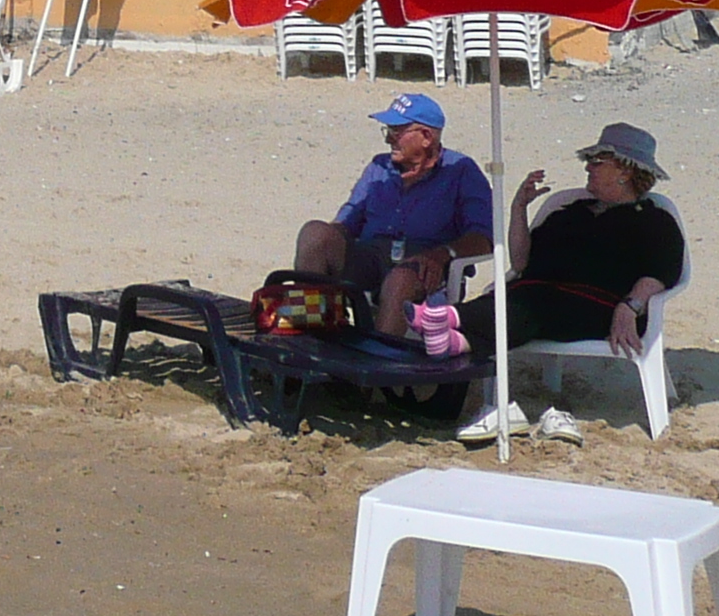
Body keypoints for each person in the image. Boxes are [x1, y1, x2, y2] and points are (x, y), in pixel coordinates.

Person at [456, 120, 686, 444]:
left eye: (597, 161)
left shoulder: (654, 220)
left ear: (626, 171)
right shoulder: (570, 210)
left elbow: (664, 271)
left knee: (532, 305)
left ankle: (451, 320)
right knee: (522, 302)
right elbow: (521, 263)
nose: (588, 167)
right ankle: (450, 338)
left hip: (600, 308)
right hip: (540, 300)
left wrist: (630, 306)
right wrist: (519, 207)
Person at [294, 92, 494, 337]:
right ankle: (310, 345)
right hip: (369, 256)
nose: (389, 139)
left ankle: (378, 366)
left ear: (426, 137)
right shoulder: (379, 166)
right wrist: (329, 237)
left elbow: (482, 239)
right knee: (314, 234)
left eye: (396, 131)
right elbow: (347, 220)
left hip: (424, 264)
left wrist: (442, 255)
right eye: (387, 130)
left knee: (400, 280)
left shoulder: (461, 171)